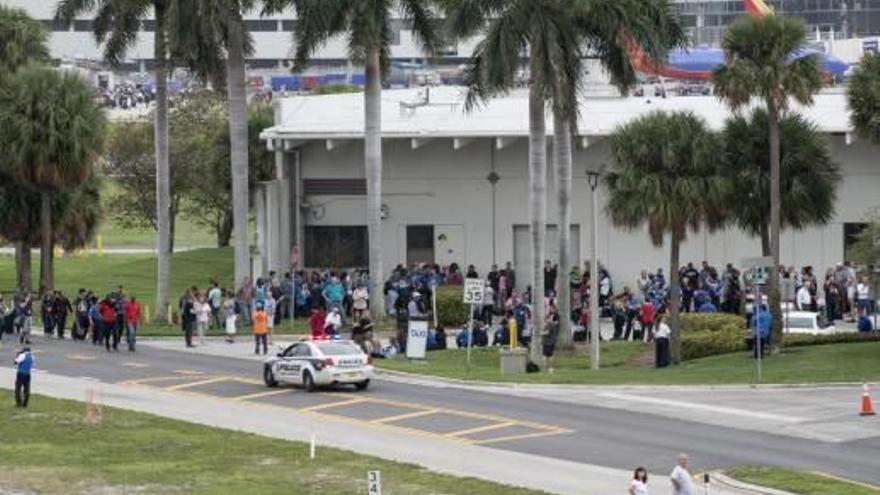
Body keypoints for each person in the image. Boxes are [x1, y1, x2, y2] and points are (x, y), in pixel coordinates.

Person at [542, 304, 560, 373]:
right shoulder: (552, 324)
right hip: (551, 342)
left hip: (548, 342)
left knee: (546, 356)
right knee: (550, 355)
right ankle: (549, 368)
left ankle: (547, 368)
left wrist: (541, 333)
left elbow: (547, 332)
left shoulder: (549, 324)